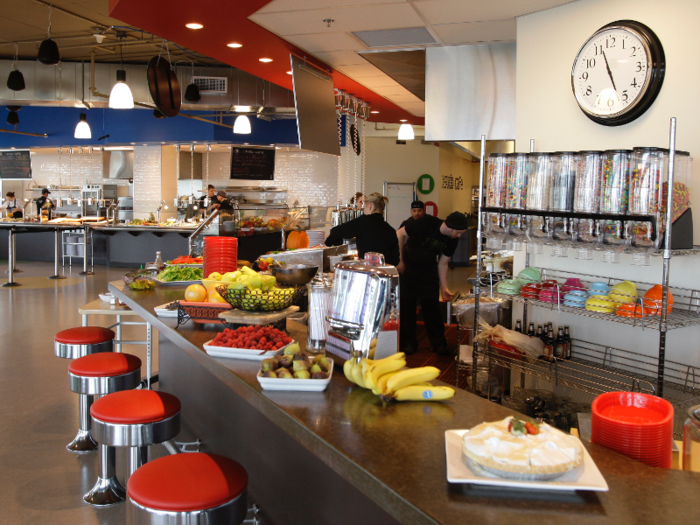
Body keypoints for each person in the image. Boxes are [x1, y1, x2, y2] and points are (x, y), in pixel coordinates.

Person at [396, 211, 469, 356]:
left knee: (433, 310)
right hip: (408, 269)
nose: (460, 236)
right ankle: (408, 343)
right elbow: (399, 233)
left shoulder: (452, 239)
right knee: (407, 308)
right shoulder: (426, 223)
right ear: (450, 227)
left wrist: (444, 288)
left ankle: (439, 344)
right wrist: (399, 260)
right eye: (459, 232)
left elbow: (443, 263)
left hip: (429, 270)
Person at [325, 192, 400, 265]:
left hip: (369, 272)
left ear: (370, 206)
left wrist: (329, 244)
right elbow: (396, 260)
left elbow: (337, 232)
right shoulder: (391, 230)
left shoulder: (363, 222)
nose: (364, 209)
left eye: (365, 206)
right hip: (387, 272)